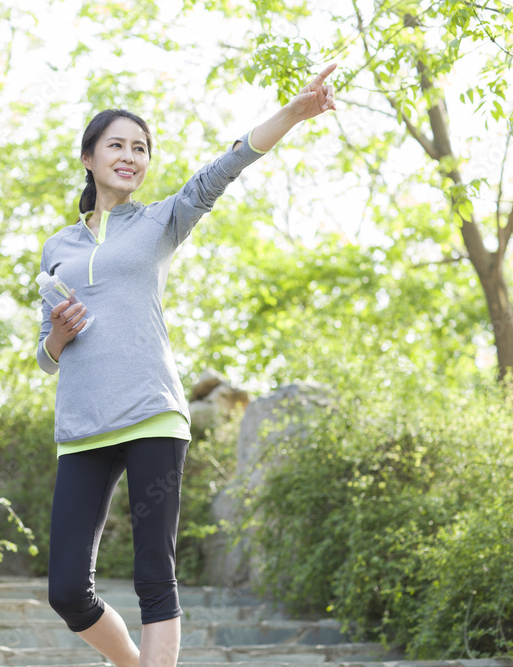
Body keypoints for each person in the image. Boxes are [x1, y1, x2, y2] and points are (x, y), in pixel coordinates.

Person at [35, 65, 338, 666]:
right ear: (88, 158)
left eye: (140, 148)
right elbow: (45, 357)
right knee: (67, 589)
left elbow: (224, 166)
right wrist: (60, 336)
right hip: (82, 425)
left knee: (154, 569)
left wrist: (293, 114)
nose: (129, 156)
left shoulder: (159, 221)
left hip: (152, 414)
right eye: (116, 145)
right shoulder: (57, 248)